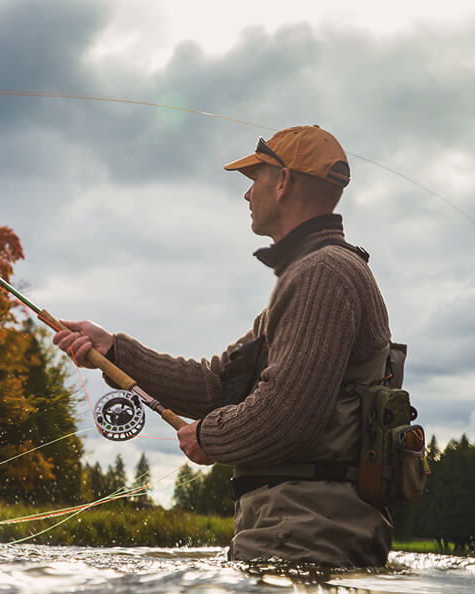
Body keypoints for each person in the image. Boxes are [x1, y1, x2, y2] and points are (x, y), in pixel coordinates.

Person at [53, 125, 394, 568]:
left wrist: (209, 436)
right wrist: (115, 349)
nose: (248, 195)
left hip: (305, 538)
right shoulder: (313, 274)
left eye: (255, 179)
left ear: (284, 183)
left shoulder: (323, 274)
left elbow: (289, 414)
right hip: (296, 532)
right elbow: (219, 385)